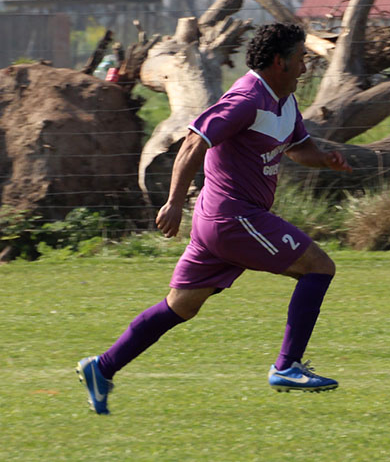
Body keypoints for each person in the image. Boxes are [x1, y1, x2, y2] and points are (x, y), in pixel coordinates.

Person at [77, 23, 352, 415]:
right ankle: (287, 366)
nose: (305, 68)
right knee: (318, 268)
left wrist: (324, 158)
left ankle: (102, 368)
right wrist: (172, 201)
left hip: (221, 221)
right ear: (279, 62)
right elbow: (194, 142)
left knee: (181, 306)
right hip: (234, 216)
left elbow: (297, 146)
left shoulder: (284, 99)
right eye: (300, 60)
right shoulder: (247, 97)